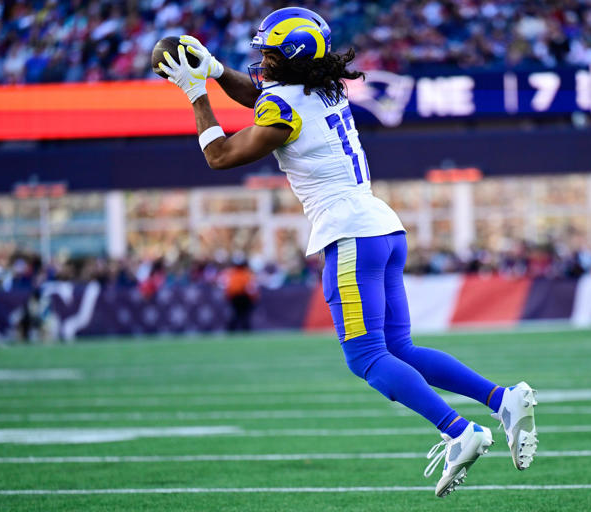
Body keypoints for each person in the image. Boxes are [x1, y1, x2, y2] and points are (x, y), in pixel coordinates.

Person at [158, 7, 538, 497]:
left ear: (289, 59)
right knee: (399, 350)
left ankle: (460, 430)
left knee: (365, 357)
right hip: (382, 228)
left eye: (269, 54)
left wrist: (195, 94)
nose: (262, 62)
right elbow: (264, 100)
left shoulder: (285, 108)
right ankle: (502, 399)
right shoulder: (322, 88)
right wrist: (213, 71)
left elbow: (220, 155)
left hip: (351, 235)